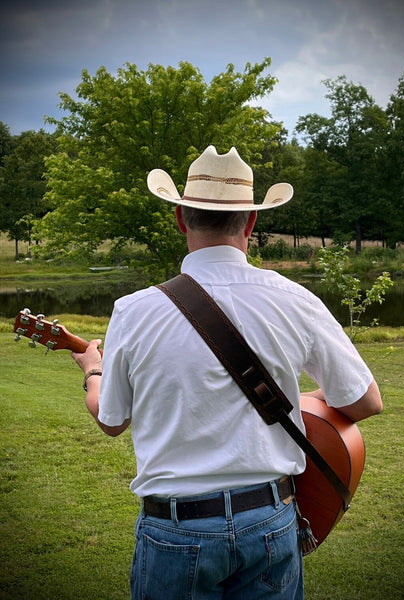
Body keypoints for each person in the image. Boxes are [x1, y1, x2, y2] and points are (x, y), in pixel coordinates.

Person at [72, 145, 382, 599]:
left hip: (176, 529)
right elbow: (366, 401)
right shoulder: (296, 299)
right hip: (271, 521)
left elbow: (112, 421)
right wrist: (304, 404)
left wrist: (92, 371)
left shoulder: (133, 311)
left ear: (180, 218)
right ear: (251, 223)